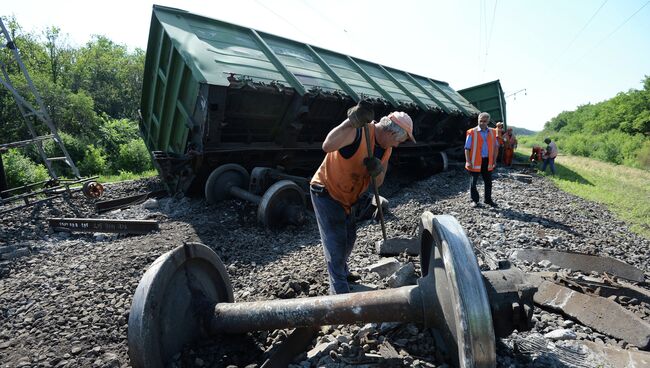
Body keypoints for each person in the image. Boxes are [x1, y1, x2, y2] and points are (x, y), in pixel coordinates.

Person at [310, 101, 415, 294]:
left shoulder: (386, 148)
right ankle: (339, 292)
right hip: (327, 190)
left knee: (349, 237)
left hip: (349, 196)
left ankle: (343, 271)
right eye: (400, 140)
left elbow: (378, 184)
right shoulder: (360, 132)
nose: (398, 145)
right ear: (392, 133)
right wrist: (349, 122)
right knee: (336, 242)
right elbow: (327, 145)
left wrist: (378, 170)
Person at [465, 112, 499, 207]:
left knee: (488, 182)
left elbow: (496, 147)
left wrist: (494, 160)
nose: (483, 123)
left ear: (488, 121)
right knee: (473, 183)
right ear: (478, 120)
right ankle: (474, 201)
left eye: (485, 121)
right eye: (481, 121)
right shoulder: (472, 132)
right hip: (474, 161)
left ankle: (488, 200)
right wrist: (468, 161)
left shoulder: (492, 132)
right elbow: (467, 148)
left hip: (487, 161)